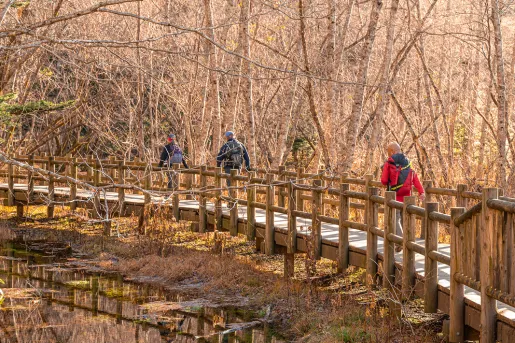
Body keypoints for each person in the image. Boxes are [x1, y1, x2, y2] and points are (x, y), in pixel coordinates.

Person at [381, 142, 425, 249]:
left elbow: (384, 181)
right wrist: (421, 191)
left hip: (394, 196)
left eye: (388, 151)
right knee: (406, 220)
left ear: (391, 151)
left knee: (396, 219)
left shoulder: (389, 163)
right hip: (407, 197)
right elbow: (415, 178)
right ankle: (408, 243)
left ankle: (400, 242)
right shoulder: (407, 162)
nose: (388, 154)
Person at [216, 131, 251, 201]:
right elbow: (247, 158)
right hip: (238, 167)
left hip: (228, 167)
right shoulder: (240, 145)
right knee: (236, 183)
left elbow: (219, 158)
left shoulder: (226, 145)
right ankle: (236, 200)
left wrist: (218, 167)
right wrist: (247, 168)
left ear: (227, 137)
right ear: (233, 136)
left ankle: (231, 202)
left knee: (230, 185)